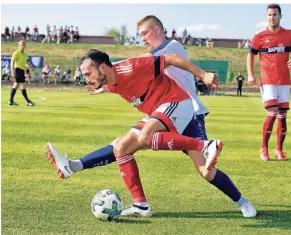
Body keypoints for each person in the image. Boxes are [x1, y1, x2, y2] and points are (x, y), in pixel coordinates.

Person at [46, 15, 256, 218]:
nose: (143, 38)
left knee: (205, 171)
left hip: (188, 111)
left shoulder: (170, 47)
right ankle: (84, 172)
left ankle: (241, 200)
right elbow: (121, 76)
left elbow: (145, 64)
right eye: (140, 35)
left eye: (145, 33)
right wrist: (105, 85)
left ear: (158, 30)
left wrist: (203, 74)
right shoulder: (119, 74)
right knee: (122, 147)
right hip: (163, 112)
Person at [247, 4, 291, 161]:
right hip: (268, 81)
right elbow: (250, 55)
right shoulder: (259, 36)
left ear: (280, 16)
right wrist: (251, 74)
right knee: (272, 114)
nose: (272, 18)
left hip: (285, 81)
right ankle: (264, 149)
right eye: (269, 15)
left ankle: (279, 150)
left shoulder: (288, 34)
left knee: (282, 116)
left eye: (274, 15)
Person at [9, 40, 35, 106]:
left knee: (16, 85)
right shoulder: (16, 53)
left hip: (22, 70)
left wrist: (32, 68)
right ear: (19, 46)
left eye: (23, 45)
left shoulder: (25, 54)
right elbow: (12, 62)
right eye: (21, 45)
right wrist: (12, 72)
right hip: (17, 70)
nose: (22, 46)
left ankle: (10, 101)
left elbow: (27, 62)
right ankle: (27, 101)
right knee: (22, 85)